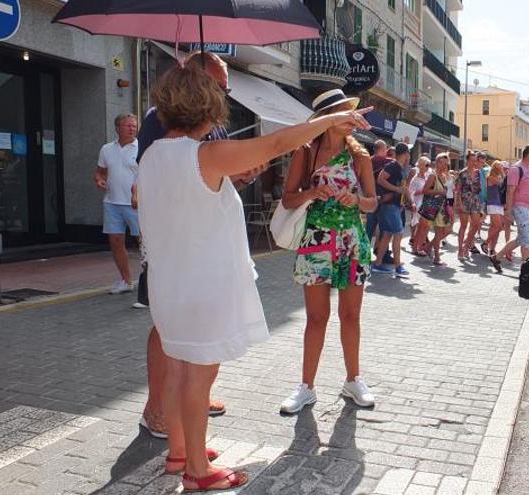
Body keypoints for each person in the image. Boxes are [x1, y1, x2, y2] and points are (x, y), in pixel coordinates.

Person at [137, 64, 370, 491]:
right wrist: (331, 119)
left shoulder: (153, 156)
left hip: (167, 282)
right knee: (197, 376)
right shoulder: (203, 154)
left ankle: (179, 451)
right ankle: (196, 471)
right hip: (204, 281)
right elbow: (278, 142)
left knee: (177, 367)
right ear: (208, 108)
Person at [135, 52, 262, 439]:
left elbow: (205, 178)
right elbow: (162, 182)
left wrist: (234, 177)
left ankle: (186, 419)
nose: (225, 93)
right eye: (220, 86)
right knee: (169, 332)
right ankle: (158, 409)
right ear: (197, 85)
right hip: (181, 249)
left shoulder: (208, 131)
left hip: (196, 249)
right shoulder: (163, 123)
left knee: (186, 343)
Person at [278, 89, 379, 415]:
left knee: (350, 316)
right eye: (345, 114)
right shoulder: (305, 153)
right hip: (316, 242)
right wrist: (311, 192)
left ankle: (353, 379)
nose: (352, 119)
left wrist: (358, 201)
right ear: (329, 120)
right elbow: (288, 199)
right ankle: (306, 387)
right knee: (316, 318)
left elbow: (372, 201)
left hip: (352, 243)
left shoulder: (360, 156)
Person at [95, 113, 140, 295]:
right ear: (117, 128)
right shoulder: (106, 149)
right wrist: (99, 180)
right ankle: (126, 280)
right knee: (115, 241)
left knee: (144, 243)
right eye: (128, 125)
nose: (132, 129)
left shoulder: (142, 147)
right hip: (112, 202)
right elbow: (100, 172)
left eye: (134, 126)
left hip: (136, 204)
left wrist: (138, 193)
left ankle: (150, 282)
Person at [491, 146, 529, 272]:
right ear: (528, 155)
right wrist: (508, 210)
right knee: (527, 239)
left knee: (521, 238)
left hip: (528, 207)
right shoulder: (516, 169)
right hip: (519, 206)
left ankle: (496, 257)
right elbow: (510, 191)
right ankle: (527, 272)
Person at [373, 143, 413, 278]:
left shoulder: (401, 168)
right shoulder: (393, 166)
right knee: (398, 233)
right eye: (408, 152)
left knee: (388, 234)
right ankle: (397, 267)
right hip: (389, 205)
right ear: (406, 153)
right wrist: (396, 190)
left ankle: (377, 264)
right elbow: (380, 179)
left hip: (394, 205)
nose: (409, 155)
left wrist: (410, 202)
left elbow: (404, 188)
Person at [423, 153, 454, 265]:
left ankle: (428, 247)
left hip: (443, 207)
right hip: (435, 207)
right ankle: (436, 257)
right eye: (443, 163)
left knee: (446, 231)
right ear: (437, 162)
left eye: (447, 163)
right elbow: (425, 190)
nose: (445, 165)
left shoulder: (444, 176)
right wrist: (439, 192)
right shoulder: (433, 175)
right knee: (438, 232)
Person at [456, 151, 485, 261]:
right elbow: (458, 190)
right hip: (465, 200)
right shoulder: (462, 173)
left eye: (475, 160)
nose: (474, 163)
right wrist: (459, 203)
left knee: (476, 224)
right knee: (463, 226)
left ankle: (466, 246)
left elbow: (480, 188)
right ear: (467, 160)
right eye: (472, 160)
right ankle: (460, 250)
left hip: (476, 200)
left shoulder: (478, 172)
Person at [409, 156, 432, 256]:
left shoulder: (427, 176)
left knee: (425, 227)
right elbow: (411, 192)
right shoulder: (416, 178)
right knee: (421, 227)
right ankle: (417, 247)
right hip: (419, 204)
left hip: (426, 203)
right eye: (426, 165)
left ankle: (419, 246)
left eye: (428, 165)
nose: (428, 167)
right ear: (421, 166)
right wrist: (425, 190)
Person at [483, 160, 506, 257]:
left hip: (498, 204)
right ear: (495, 167)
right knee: (499, 226)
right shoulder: (491, 177)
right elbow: (501, 182)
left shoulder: (498, 176)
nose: (502, 167)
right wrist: (503, 173)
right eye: (500, 165)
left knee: (494, 227)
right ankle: (486, 243)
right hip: (492, 203)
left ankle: (492, 249)